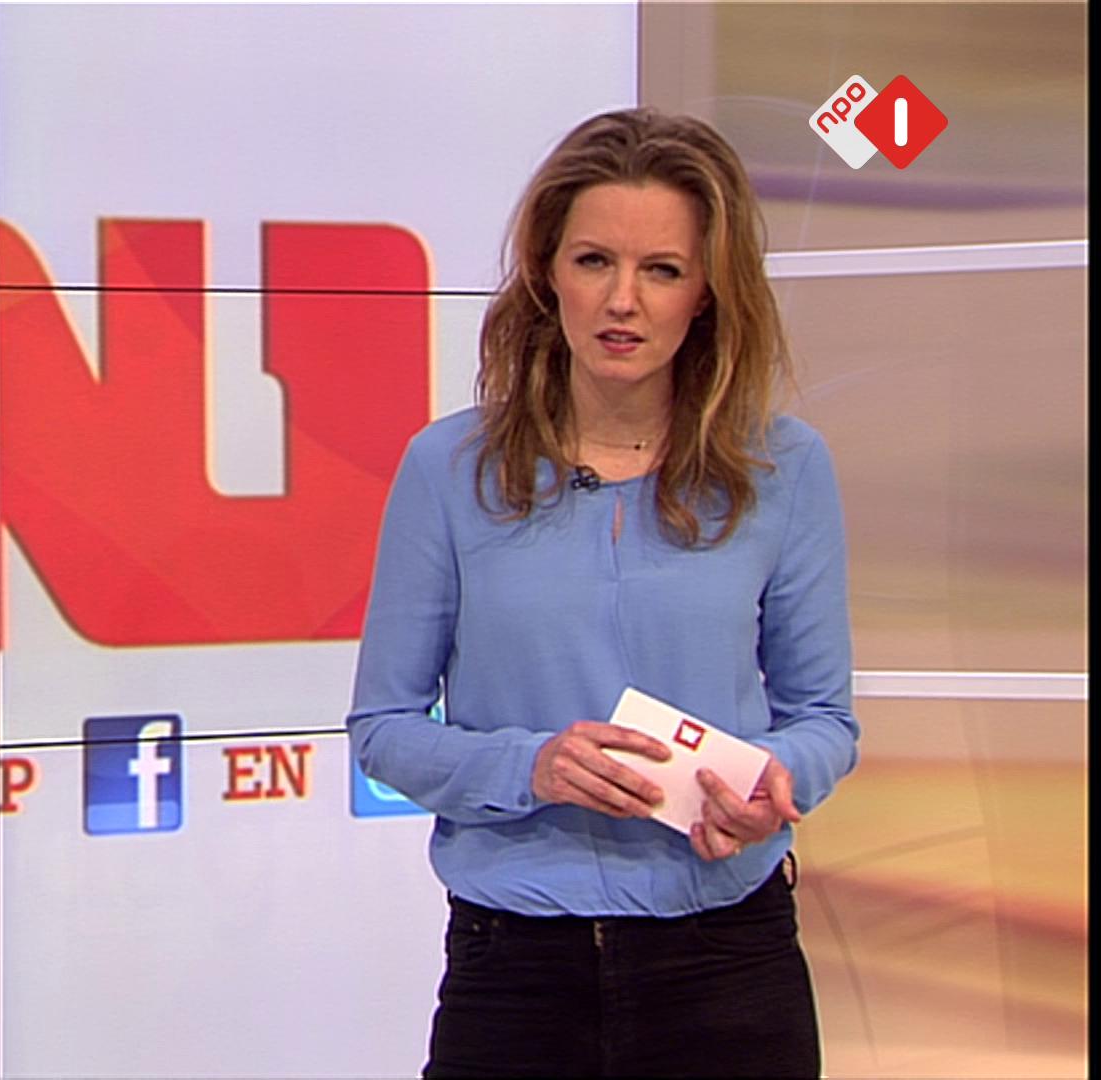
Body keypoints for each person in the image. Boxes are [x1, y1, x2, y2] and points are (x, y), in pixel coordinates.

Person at [346, 107, 859, 1079]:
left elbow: (824, 720)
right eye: (594, 262)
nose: (623, 301)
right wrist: (532, 768)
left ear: (707, 292)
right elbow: (384, 729)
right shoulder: (448, 469)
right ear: (547, 272)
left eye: (661, 269)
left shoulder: (784, 467)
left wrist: (771, 784)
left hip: (728, 961)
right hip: (516, 970)